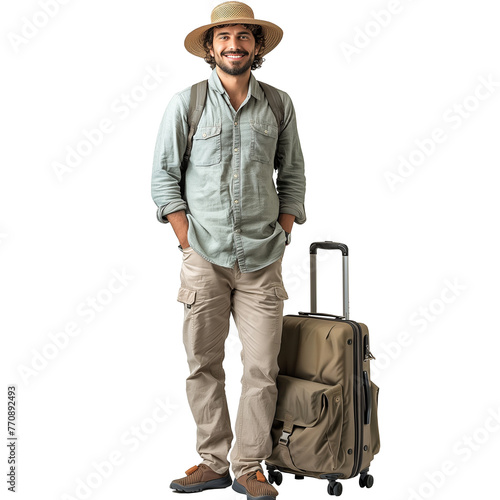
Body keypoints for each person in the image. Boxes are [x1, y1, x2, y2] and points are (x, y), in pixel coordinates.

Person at [151, 2, 306, 498]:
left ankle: (249, 466)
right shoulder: (188, 103)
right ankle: (212, 462)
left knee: (262, 368)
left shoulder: (279, 104)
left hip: (263, 259)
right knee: (203, 364)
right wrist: (185, 239)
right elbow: (164, 179)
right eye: (224, 38)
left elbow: (294, 176)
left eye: (244, 37)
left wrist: (282, 233)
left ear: (256, 47)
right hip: (205, 258)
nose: (234, 45)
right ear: (210, 47)